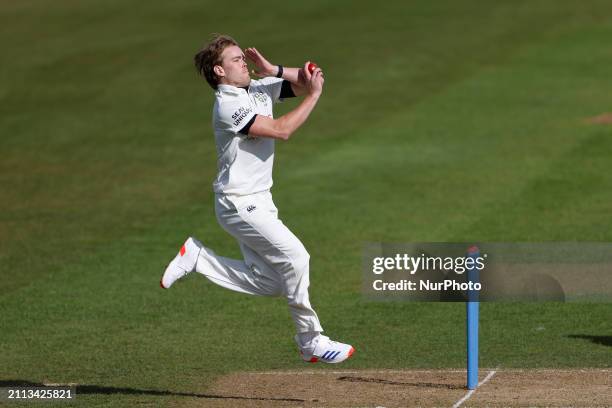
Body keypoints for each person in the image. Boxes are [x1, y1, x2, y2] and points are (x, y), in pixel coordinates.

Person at [160, 34, 354, 364]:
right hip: (238, 203)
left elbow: (310, 77)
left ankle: (198, 258)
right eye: (236, 60)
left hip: (261, 199)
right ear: (219, 71)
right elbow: (282, 130)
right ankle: (310, 340)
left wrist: (274, 68)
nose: (244, 63)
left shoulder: (258, 88)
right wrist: (315, 96)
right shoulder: (228, 105)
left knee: (272, 283)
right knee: (297, 258)